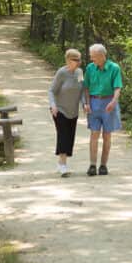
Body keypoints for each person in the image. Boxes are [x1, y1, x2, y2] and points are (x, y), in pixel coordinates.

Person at [83, 43, 122, 176]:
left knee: (107, 135)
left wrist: (113, 101)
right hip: (94, 102)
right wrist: (87, 103)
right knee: (94, 134)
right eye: (91, 56)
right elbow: (86, 87)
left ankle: (103, 165)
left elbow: (117, 87)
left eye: (93, 57)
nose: (91, 59)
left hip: (108, 103)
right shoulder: (90, 68)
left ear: (102, 56)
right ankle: (92, 165)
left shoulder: (114, 68)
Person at [48, 48, 85, 177]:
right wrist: (53, 106)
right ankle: (63, 165)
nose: (79, 62)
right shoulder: (61, 73)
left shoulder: (79, 72)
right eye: (76, 60)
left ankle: (60, 162)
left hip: (73, 110)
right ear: (69, 60)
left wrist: (85, 104)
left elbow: (81, 91)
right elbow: (51, 91)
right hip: (60, 109)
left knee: (69, 138)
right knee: (63, 135)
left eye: (79, 60)